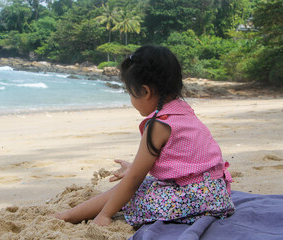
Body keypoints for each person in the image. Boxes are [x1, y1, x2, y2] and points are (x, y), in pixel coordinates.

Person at [53, 45, 235, 227]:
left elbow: (133, 181)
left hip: (194, 199)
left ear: (145, 92)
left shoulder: (158, 124)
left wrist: (106, 214)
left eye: (130, 93)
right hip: (217, 194)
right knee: (145, 184)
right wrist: (133, 167)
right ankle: (69, 215)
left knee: (126, 192)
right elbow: (184, 160)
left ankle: (68, 216)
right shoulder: (183, 110)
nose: (131, 99)